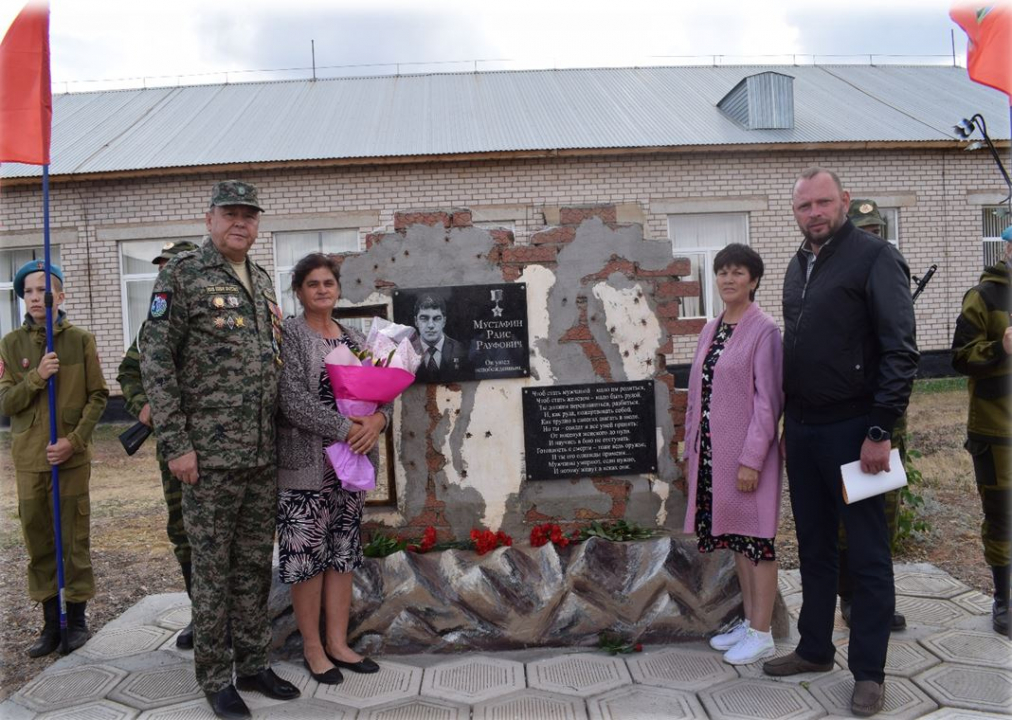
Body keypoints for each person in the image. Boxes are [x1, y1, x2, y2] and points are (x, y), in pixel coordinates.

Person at [140, 181, 299, 720]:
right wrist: (176, 445)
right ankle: (214, 676)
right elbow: (155, 362)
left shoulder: (258, 278)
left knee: (254, 565)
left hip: (259, 453)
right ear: (209, 219)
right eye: (231, 214)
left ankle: (253, 662)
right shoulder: (181, 275)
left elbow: (269, 358)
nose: (241, 224)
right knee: (212, 569)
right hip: (206, 457)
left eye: (250, 217)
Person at [765, 168, 918, 718]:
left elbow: (900, 351)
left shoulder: (875, 258)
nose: (814, 213)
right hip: (804, 431)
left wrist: (880, 430)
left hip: (857, 431)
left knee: (869, 553)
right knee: (813, 546)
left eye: (823, 202)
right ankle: (813, 648)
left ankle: (870, 673)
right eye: (804, 205)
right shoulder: (797, 264)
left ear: (845, 202)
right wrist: (787, 426)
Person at [276, 253, 391, 684]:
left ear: (338, 288)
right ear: (299, 291)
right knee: (307, 558)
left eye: (328, 282)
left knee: (342, 553)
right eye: (312, 284)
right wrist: (344, 427)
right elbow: (290, 400)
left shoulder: (357, 338)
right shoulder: (289, 333)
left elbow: (383, 393)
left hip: (349, 467)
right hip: (305, 463)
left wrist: (379, 421)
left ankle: (339, 643)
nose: (322, 290)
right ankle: (312, 647)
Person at [0, 260, 109, 656]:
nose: (35, 297)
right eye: (28, 291)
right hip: (30, 460)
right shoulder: (11, 345)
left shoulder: (80, 340)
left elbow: (98, 396)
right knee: (39, 539)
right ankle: (50, 623)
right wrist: (37, 377)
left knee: (73, 538)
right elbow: (6, 401)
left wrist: (74, 441)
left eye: (44, 290)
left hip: (70, 460)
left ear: (60, 297)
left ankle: (76, 621)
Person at [682, 243, 783, 666]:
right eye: (722, 272)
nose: (727, 279)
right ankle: (749, 621)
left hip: (745, 461)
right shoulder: (712, 327)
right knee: (736, 540)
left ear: (754, 280)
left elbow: (768, 402)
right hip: (713, 456)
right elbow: (700, 392)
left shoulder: (764, 331)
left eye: (738, 272)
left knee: (758, 542)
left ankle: (763, 632)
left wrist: (751, 461)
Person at [116, 240, 199, 649]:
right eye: (162, 269)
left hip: (218, 444)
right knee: (182, 530)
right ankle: (200, 613)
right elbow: (128, 372)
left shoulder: (208, 319)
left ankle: (234, 618)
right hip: (171, 446)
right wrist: (143, 406)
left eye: (174, 268)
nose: (166, 276)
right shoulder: (153, 325)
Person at [838, 199, 907, 632]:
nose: (871, 238)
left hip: (887, 413)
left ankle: (880, 597)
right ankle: (850, 596)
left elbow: (902, 348)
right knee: (852, 509)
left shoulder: (888, 271)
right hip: (850, 412)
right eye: (863, 230)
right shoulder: (839, 275)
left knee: (886, 509)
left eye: (876, 230)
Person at [951, 224, 1011, 637]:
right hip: (998, 431)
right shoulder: (985, 296)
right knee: (1003, 517)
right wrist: (999, 347)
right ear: (1007, 248)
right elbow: (960, 357)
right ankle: (1005, 599)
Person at [412, 294, 470, 382]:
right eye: (424, 318)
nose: (431, 325)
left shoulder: (460, 350)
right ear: (416, 321)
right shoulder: (407, 350)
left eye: (436, 318)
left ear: (444, 321)